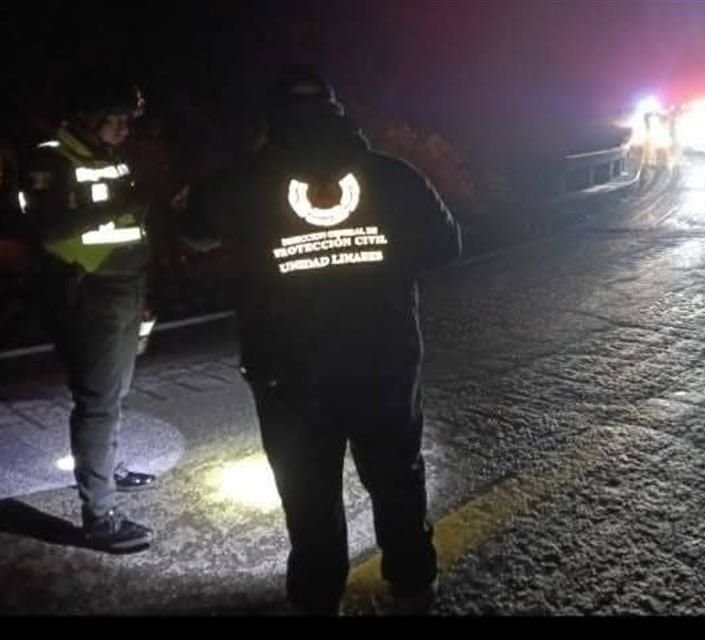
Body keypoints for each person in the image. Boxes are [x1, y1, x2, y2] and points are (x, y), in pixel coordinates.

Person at [180, 66, 461, 615]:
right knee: (397, 478)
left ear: (272, 119)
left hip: (288, 373)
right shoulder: (393, 176)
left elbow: (193, 233)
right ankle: (413, 589)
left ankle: (315, 600)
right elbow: (445, 246)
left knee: (308, 497)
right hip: (384, 361)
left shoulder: (241, 184)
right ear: (338, 111)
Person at [19, 78, 156, 552]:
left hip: (125, 284)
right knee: (98, 399)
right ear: (87, 115)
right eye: (114, 118)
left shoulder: (106, 153)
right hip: (88, 290)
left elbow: (127, 223)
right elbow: (49, 229)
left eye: (126, 120)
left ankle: (108, 470)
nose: (123, 129)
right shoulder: (52, 157)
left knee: (115, 392)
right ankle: (100, 517)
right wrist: (124, 205)